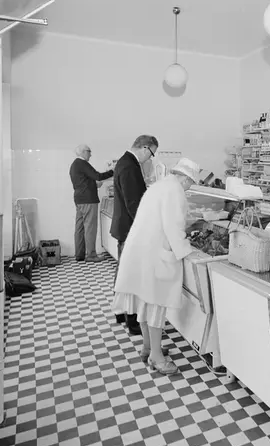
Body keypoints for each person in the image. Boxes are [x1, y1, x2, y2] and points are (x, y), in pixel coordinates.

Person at [112, 158, 202, 375]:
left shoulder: (160, 186)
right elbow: (174, 227)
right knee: (156, 305)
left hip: (141, 252)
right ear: (184, 178)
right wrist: (187, 250)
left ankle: (147, 347)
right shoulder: (175, 191)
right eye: (191, 182)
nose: (190, 187)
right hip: (155, 256)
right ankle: (156, 357)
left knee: (145, 302)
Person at [111, 134, 159, 335]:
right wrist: (145, 226)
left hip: (124, 226)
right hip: (130, 228)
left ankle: (120, 311)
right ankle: (132, 320)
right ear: (145, 147)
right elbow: (133, 203)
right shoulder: (130, 165)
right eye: (151, 154)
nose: (150, 158)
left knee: (123, 272)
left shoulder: (125, 162)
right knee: (130, 274)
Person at [69, 144, 114, 262]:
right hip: (88, 200)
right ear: (84, 152)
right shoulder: (82, 163)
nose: (91, 154)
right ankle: (91, 255)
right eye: (89, 151)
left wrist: (94, 184)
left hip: (79, 199)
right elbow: (98, 176)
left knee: (80, 228)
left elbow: (82, 181)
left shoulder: (74, 165)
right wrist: (113, 171)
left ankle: (79, 254)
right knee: (90, 227)